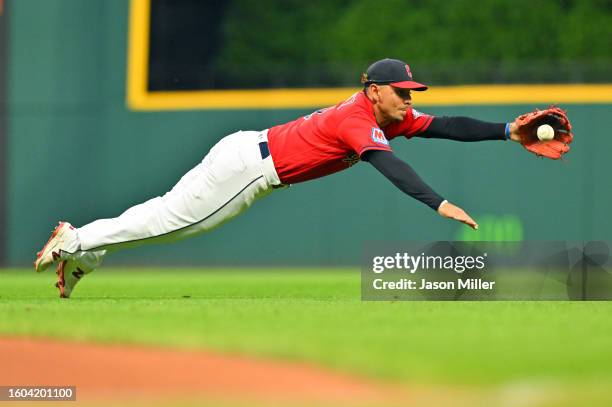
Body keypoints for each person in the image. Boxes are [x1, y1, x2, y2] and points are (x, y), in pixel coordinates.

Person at [33, 58, 568, 298]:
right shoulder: (359, 118)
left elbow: (446, 126)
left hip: (247, 150)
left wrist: (505, 130)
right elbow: (388, 164)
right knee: (176, 222)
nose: (409, 99)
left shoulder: (387, 115)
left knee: (168, 214)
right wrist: (439, 204)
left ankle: (86, 252)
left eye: (412, 92)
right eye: (401, 90)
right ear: (373, 89)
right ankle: (77, 241)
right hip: (250, 167)